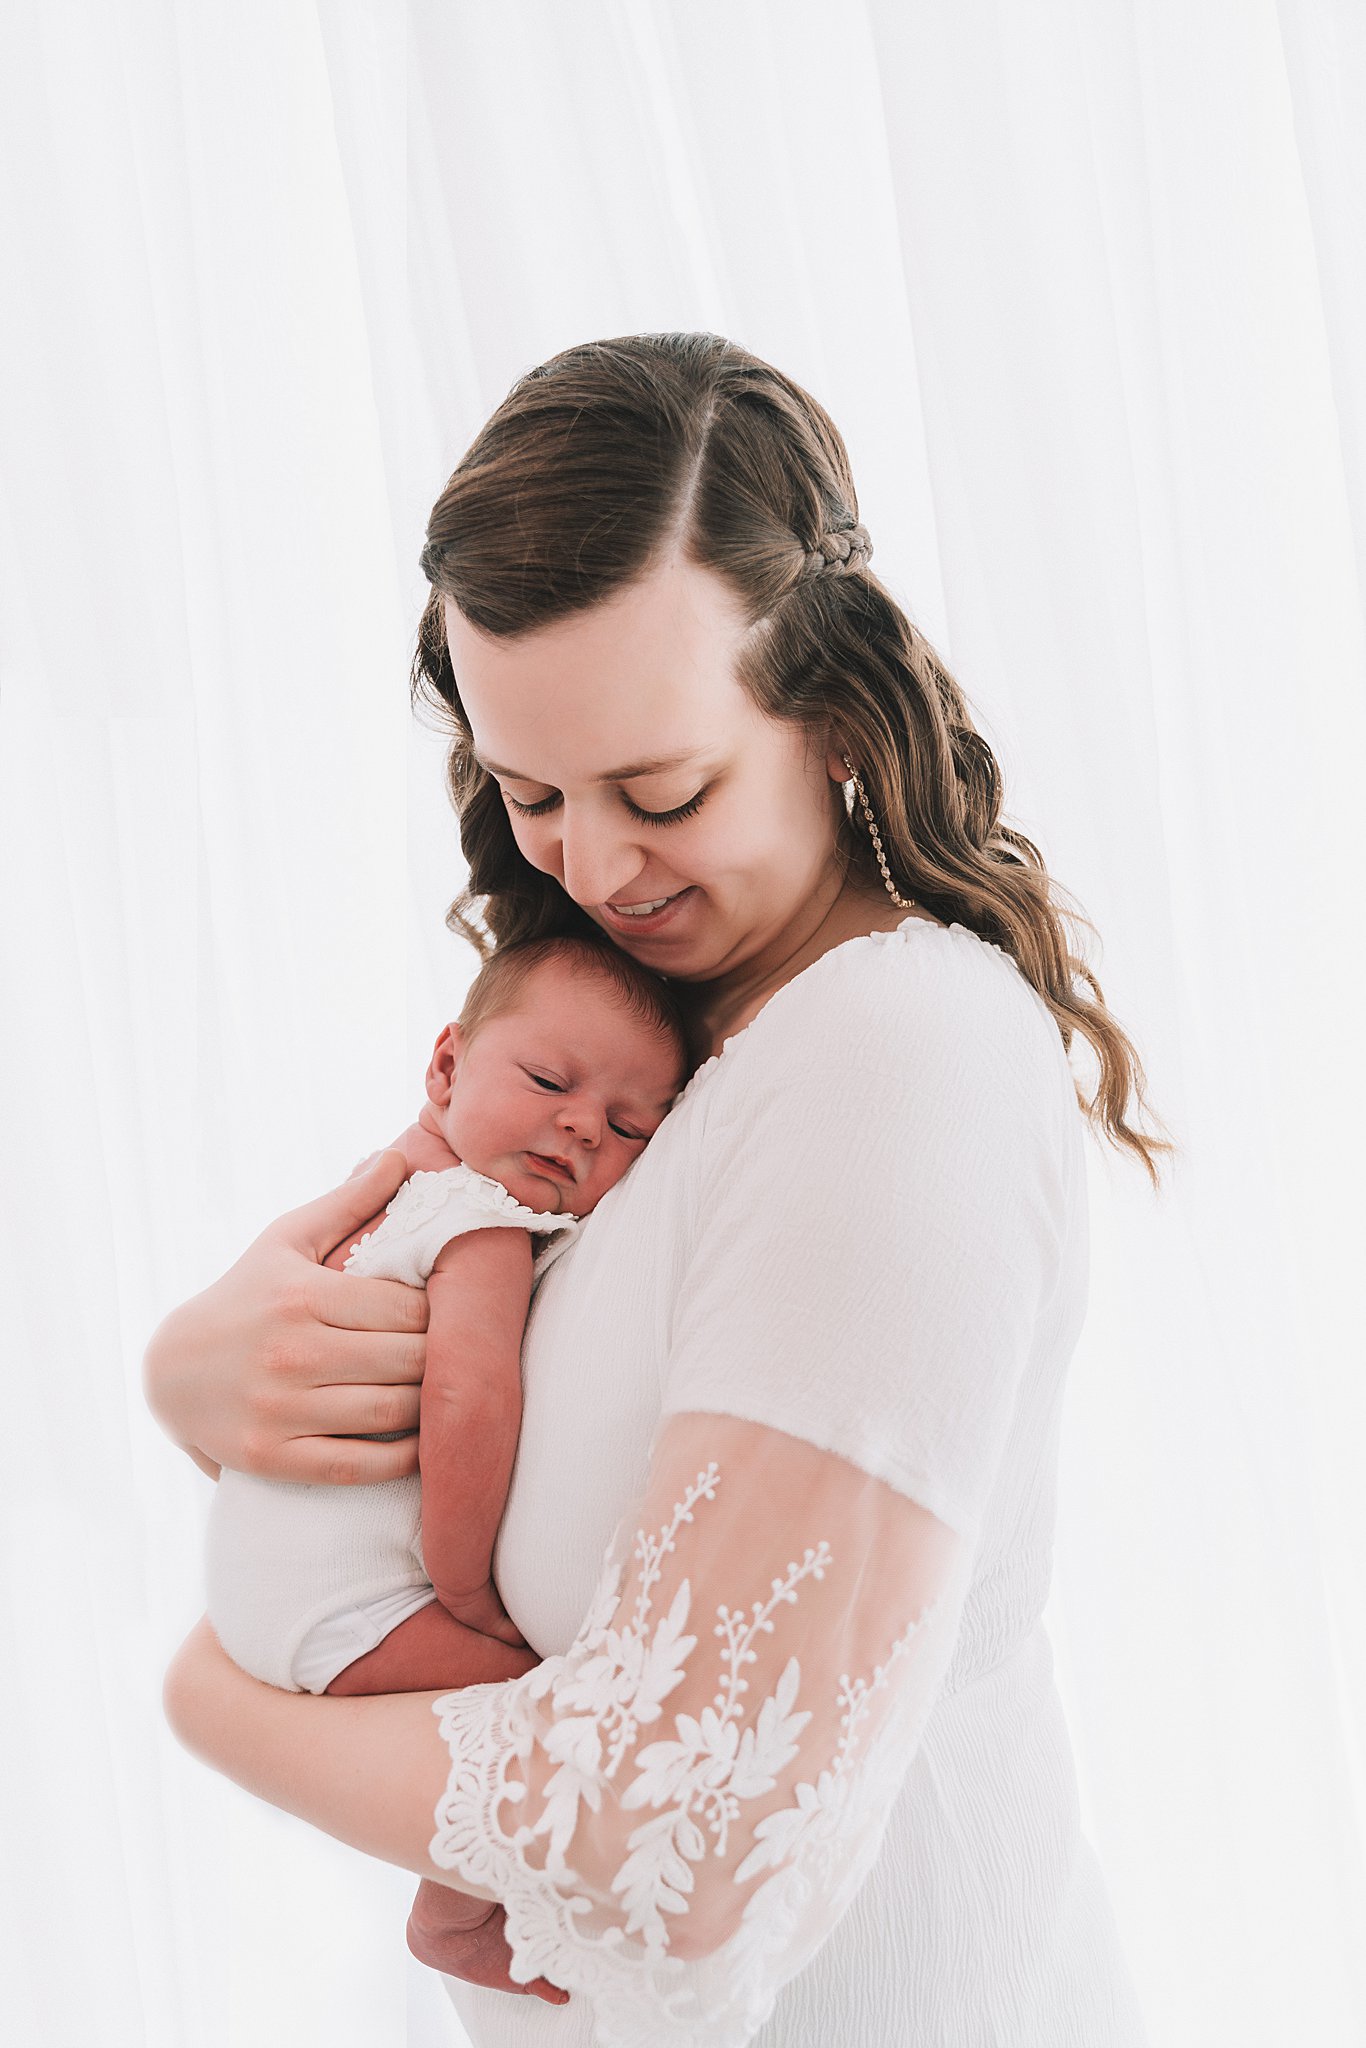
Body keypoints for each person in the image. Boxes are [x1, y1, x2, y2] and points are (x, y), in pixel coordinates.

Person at [149, 332, 1169, 2045]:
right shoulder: (652, 1055)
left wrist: (214, 1695)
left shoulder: (890, 1054)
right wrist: (194, 1375)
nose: (599, 867)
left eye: (664, 788)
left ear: (834, 716)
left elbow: (689, 1850)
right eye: (530, 792)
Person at [203, 931, 691, 1703]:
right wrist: (462, 1588)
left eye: (629, 1127)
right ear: (446, 1066)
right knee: (581, 1705)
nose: (586, 1126)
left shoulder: (382, 1181)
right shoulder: (480, 1224)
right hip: (357, 1611)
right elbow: (469, 1400)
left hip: (252, 1584)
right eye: (547, 1080)